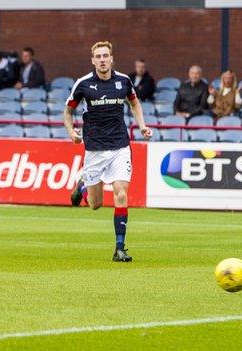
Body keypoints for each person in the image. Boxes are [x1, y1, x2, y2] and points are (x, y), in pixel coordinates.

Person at [63, 41, 152, 262]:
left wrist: (141, 126)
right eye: (98, 56)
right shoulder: (83, 84)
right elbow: (67, 110)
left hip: (120, 146)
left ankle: (120, 248)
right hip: (94, 149)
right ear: (93, 60)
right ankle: (83, 185)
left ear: (111, 58)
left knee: (121, 195)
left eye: (106, 55)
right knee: (96, 204)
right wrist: (71, 132)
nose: (102, 60)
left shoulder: (123, 81)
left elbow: (135, 103)